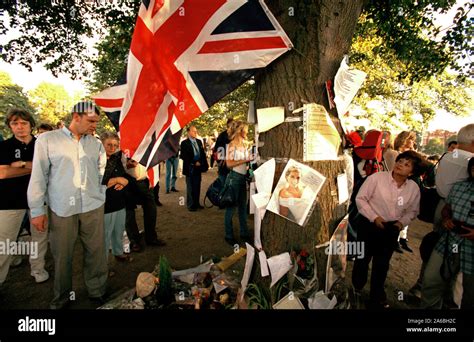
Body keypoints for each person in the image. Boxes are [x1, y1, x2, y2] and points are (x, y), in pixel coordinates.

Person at [28, 101, 109, 309]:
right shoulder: (47, 140)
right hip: (62, 209)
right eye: (91, 121)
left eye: (96, 122)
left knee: (96, 252)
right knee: (62, 256)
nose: (94, 126)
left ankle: (97, 291)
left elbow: (101, 174)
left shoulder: (96, 144)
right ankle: (62, 298)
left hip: (92, 207)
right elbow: (38, 176)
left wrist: (100, 195)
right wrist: (37, 210)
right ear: (76, 117)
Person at [352, 150, 424, 309]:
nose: (400, 165)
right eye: (400, 161)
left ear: (412, 172)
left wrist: (400, 224)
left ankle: (376, 297)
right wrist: (374, 217)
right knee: (362, 259)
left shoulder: (413, 188)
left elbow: (413, 211)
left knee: (382, 264)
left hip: (391, 229)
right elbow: (360, 199)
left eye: (406, 164)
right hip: (368, 225)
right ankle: (356, 288)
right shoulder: (376, 178)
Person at [0, 108, 49, 287]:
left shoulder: (42, 145)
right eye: (15, 123)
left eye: (23, 123)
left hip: (40, 199)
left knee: (40, 236)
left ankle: (38, 269)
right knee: (4, 241)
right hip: (9, 201)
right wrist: (35, 166)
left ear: (31, 125)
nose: (20, 127)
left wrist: (20, 165)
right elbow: (3, 172)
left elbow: (49, 168)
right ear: (10, 126)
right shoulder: (4, 146)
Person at [421, 158, 474, 309]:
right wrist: (446, 219)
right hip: (449, 241)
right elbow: (447, 207)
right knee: (431, 280)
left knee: (467, 296)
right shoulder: (459, 187)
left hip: (471, 252)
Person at [122, 156, 165, 250]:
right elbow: (114, 165)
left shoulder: (148, 143)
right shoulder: (122, 146)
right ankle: (134, 241)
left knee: (151, 209)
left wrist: (152, 179)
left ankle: (151, 238)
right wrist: (125, 165)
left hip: (145, 180)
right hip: (127, 181)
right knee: (129, 212)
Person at [100, 132, 130, 263]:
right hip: (105, 203)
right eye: (109, 145)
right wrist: (117, 179)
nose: (112, 148)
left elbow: (125, 177)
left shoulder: (116, 158)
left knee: (119, 230)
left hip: (119, 201)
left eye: (115, 145)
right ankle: (102, 264)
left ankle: (118, 252)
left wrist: (124, 182)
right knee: (105, 235)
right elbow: (99, 182)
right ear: (102, 144)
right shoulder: (96, 159)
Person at [223, 120, 251, 245]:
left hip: (243, 178)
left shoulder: (245, 144)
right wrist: (245, 160)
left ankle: (244, 233)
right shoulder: (231, 145)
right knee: (231, 208)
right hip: (234, 178)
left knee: (242, 208)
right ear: (240, 131)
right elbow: (229, 164)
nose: (248, 131)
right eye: (246, 129)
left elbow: (247, 161)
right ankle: (228, 235)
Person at [180, 125, 209, 212]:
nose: (195, 133)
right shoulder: (184, 143)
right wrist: (193, 162)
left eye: (196, 131)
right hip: (189, 168)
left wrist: (203, 163)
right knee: (190, 187)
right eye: (193, 131)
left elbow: (202, 153)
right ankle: (190, 205)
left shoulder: (199, 142)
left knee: (197, 186)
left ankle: (197, 203)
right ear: (188, 132)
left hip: (198, 168)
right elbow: (184, 156)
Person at [213, 118, 234, 183]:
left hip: (234, 164)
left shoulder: (235, 135)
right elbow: (217, 149)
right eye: (232, 125)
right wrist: (222, 160)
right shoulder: (222, 135)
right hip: (224, 164)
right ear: (228, 125)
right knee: (223, 183)